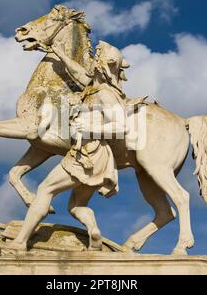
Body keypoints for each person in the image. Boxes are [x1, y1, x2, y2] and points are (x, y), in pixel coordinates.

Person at [8, 40, 130, 251]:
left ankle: (19, 243)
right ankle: (94, 231)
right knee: (76, 205)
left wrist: (88, 127)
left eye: (95, 57)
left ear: (103, 64)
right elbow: (79, 74)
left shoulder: (105, 94)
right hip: (97, 157)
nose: (91, 60)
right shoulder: (95, 88)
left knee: (45, 189)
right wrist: (60, 54)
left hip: (88, 154)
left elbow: (121, 127)